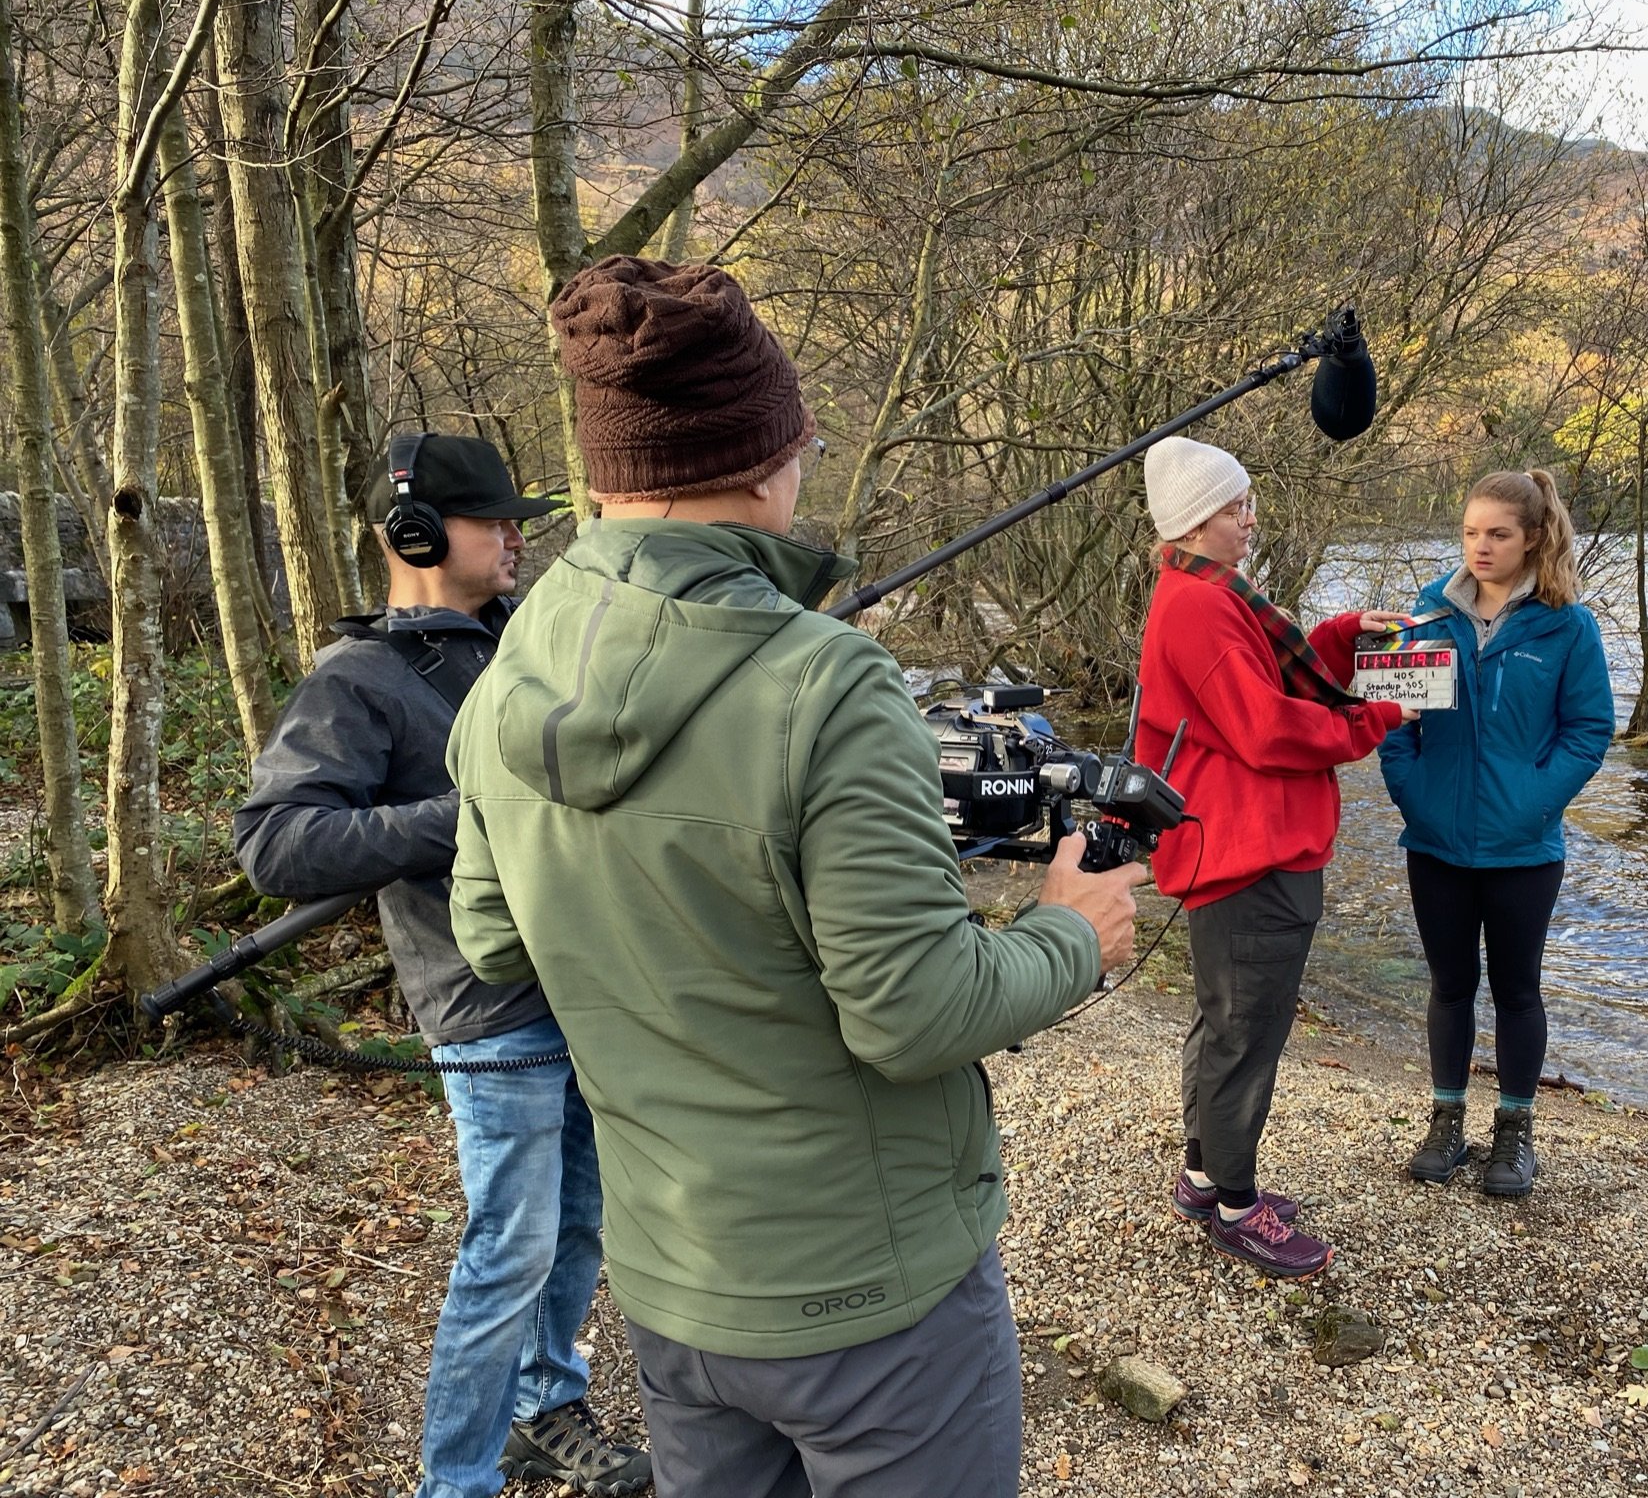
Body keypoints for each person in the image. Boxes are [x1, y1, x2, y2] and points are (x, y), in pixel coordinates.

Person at [442, 255, 1147, 1498]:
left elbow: (497, 945)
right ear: (768, 456)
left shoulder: (502, 682)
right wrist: (1072, 933)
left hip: (670, 1284)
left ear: (605, 477)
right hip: (874, 1306)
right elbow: (913, 1012)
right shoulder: (830, 682)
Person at [233, 434, 652, 1498]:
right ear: (416, 535)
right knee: (507, 1251)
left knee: (579, 1226)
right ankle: (454, 1481)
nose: (518, 537)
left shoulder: (530, 641)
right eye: (494, 521)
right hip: (483, 1006)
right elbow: (278, 846)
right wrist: (464, 816)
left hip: (583, 985)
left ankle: (544, 1410)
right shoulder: (359, 680)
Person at [1133, 436, 1416, 1279]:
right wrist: (1374, 719)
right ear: (1192, 520)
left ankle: (1200, 1178)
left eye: (1247, 502)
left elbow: (1260, 686)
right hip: (1251, 855)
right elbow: (1265, 728)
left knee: (1222, 1024)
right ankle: (1234, 1206)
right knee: (1245, 1035)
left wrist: (1334, 638)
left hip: (1232, 851)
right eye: (1233, 507)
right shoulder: (1199, 604)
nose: (1249, 519)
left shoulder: (1207, 592)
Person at [1378, 468, 1614, 1199]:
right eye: (1470, 532)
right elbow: (1391, 721)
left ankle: (1515, 1132)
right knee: (1449, 987)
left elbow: (1588, 730)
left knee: (1516, 991)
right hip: (1435, 842)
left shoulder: (1566, 626)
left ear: (1533, 539)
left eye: (1497, 534)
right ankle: (1445, 1124)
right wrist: (1412, 795)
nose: (1480, 547)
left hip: (1523, 848)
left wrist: (1533, 804)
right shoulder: (1424, 618)